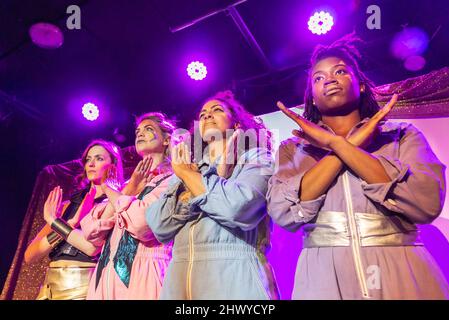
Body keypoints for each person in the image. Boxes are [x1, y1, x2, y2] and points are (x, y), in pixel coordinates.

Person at [266, 33, 449, 299]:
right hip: (323, 277)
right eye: (318, 78)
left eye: (339, 71)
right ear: (312, 98)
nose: (328, 79)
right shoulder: (293, 150)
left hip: (401, 270)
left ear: (360, 84)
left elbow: (426, 203)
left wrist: (338, 145)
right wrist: (342, 146)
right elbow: (284, 214)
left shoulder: (401, 135)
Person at [146, 90, 280, 299]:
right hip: (181, 281)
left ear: (236, 124)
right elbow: (158, 225)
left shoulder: (256, 158)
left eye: (216, 110)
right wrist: (190, 178)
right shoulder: (188, 167)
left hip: (235, 277)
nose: (207, 115)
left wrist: (190, 178)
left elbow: (239, 208)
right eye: (202, 114)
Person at [81, 112, 175, 299]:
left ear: (166, 140)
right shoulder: (125, 186)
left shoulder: (173, 180)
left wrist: (116, 193)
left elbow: (143, 224)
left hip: (144, 273)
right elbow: (91, 231)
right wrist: (129, 190)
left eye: (149, 129)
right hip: (106, 277)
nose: (140, 133)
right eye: (138, 130)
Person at [24, 139, 123, 300]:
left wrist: (56, 222)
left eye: (99, 158)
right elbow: (30, 255)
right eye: (88, 159)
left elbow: (92, 248)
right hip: (49, 288)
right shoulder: (68, 206)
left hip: (85, 287)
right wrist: (69, 223)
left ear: (113, 164)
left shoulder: (116, 201)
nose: (91, 164)